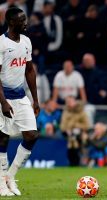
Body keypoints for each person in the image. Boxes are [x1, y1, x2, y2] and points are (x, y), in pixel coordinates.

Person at [0, 7, 40, 196]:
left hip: (20, 96)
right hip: (3, 96)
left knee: (32, 135)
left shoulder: (26, 42)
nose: (26, 22)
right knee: (3, 137)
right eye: (22, 20)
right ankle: (1, 183)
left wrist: (35, 100)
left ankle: (9, 176)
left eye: (25, 19)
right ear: (11, 22)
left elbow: (29, 70)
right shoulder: (1, 43)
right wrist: (3, 103)